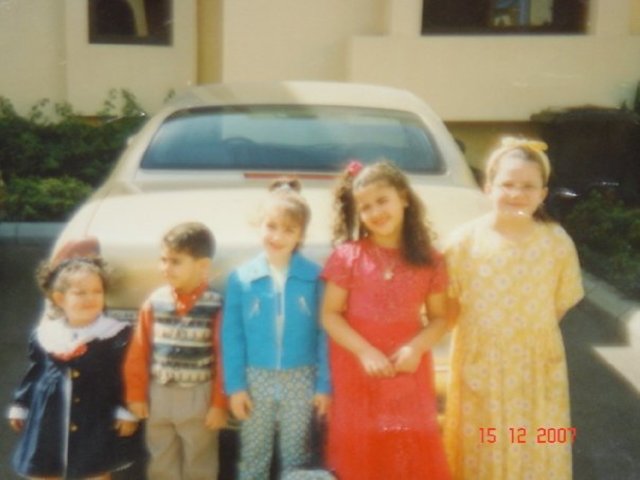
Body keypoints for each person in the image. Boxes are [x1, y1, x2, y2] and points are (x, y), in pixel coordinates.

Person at [443, 137, 584, 480]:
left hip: (536, 371)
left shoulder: (557, 243)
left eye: (528, 186)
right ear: (488, 187)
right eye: (507, 184)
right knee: (484, 447)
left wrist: (525, 339)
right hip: (480, 369)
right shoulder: (462, 243)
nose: (517, 194)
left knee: (534, 446)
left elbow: (559, 304)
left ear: (543, 193)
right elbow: (447, 306)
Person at [321, 160, 451, 479]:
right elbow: (330, 314)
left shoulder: (430, 260)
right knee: (362, 449)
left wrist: (416, 348)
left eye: (382, 201)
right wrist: (364, 351)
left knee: (405, 449)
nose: (376, 212)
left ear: (403, 197)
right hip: (358, 367)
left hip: (406, 368)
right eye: (366, 207)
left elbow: (439, 318)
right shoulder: (348, 256)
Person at [222, 178, 331, 479]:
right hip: (255, 378)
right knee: (254, 451)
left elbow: (324, 335)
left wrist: (324, 386)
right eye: (271, 226)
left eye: (288, 229)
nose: (278, 236)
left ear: (301, 235)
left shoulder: (314, 277)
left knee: (297, 452)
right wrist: (236, 387)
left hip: (301, 376)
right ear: (259, 225)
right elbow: (232, 337)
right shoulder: (242, 279)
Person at [7, 239, 142, 480]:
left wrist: (126, 410)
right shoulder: (46, 335)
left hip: (96, 417)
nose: (90, 298)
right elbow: (36, 373)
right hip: (50, 417)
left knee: (95, 469)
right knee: (45, 467)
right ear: (60, 299)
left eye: (97, 291)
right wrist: (21, 404)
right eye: (80, 293)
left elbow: (127, 375)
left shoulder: (115, 334)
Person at [123, 222, 227, 480]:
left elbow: (225, 359)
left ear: (202, 265)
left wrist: (219, 404)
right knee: (161, 456)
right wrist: (136, 394)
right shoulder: (155, 302)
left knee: (200, 458)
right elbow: (138, 351)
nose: (166, 268)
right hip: (159, 394)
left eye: (175, 262)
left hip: (199, 396)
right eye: (163, 260)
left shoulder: (215, 305)